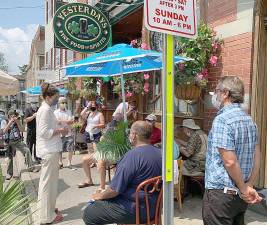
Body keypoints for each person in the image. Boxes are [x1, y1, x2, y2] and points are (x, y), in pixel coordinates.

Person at [202, 76, 262, 225]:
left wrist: (243, 188)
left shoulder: (222, 120)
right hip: (239, 197)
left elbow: (229, 161)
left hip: (221, 195)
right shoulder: (250, 121)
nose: (215, 95)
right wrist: (249, 185)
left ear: (225, 93)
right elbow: (257, 155)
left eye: (216, 91)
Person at [83, 121, 162, 225]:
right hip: (154, 207)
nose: (129, 135)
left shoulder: (132, 156)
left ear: (134, 135)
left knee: (89, 213)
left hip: (134, 210)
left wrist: (99, 196)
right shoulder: (160, 153)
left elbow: (114, 190)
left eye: (130, 133)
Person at [36, 83, 68, 224]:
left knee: (50, 183)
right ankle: (46, 216)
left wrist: (60, 124)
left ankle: (48, 210)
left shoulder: (46, 109)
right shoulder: (45, 110)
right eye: (56, 97)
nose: (58, 100)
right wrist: (61, 131)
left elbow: (48, 126)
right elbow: (43, 132)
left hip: (50, 150)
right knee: (47, 184)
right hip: (49, 151)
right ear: (49, 97)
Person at [3, 110, 37, 180]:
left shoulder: (17, 121)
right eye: (12, 115)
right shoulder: (5, 121)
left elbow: (22, 129)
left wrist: (17, 122)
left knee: (27, 151)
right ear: (9, 116)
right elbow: (4, 131)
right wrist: (10, 122)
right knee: (10, 158)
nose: (13, 116)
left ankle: (31, 167)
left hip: (18, 141)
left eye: (14, 115)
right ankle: (9, 173)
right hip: (10, 142)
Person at [78, 101, 105, 188]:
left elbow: (103, 124)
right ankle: (91, 162)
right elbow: (82, 114)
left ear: (97, 106)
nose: (92, 107)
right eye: (91, 106)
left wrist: (96, 126)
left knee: (96, 149)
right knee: (90, 149)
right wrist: (87, 106)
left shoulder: (99, 114)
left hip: (96, 134)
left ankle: (98, 163)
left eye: (93, 106)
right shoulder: (89, 113)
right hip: (88, 133)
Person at [54, 97, 75, 169]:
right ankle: (60, 162)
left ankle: (69, 162)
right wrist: (66, 121)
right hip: (60, 133)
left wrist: (63, 121)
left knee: (70, 148)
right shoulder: (56, 112)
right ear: (59, 103)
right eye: (62, 102)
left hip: (69, 132)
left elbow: (72, 121)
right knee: (60, 148)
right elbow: (57, 122)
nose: (64, 104)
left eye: (65, 102)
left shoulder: (69, 111)